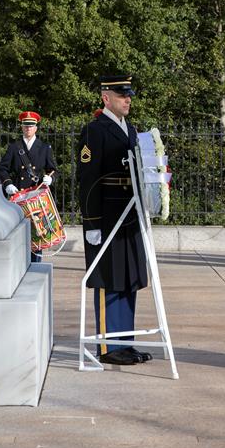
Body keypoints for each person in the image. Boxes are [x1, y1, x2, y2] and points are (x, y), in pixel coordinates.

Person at [76, 74, 151, 366]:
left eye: (129, 94)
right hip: (106, 217)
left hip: (129, 216)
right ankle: (109, 346)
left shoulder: (130, 129)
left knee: (128, 279)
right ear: (106, 98)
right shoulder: (95, 131)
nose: (128, 99)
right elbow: (88, 179)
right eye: (122, 95)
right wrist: (92, 222)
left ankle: (125, 341)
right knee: (109, 280)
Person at [0, 110, 57, 263]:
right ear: (22, 127)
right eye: (25, 126)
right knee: (19, 235)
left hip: (36, 198)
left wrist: (50, 178)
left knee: (37, 234)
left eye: (31, 126)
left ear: (36, 127)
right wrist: (8, 183)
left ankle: (35, 268)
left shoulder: (44, 147)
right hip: (19, 197)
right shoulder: (14, 147)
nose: (28, 129)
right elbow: (2, 168)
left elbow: (54, 170)